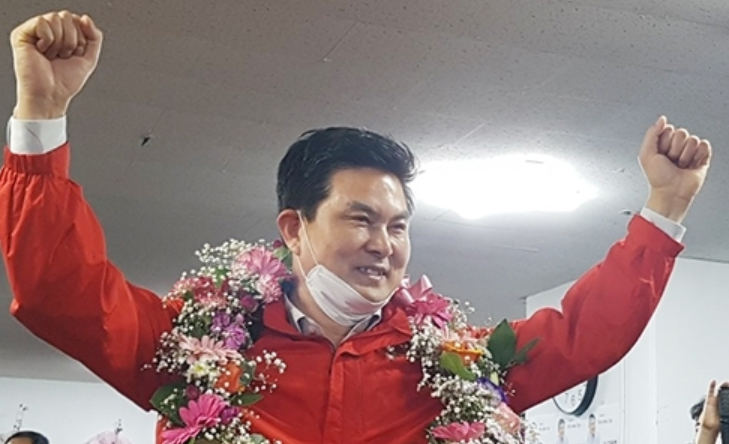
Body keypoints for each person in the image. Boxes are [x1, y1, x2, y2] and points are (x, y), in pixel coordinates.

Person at [0, 10, 713, 444]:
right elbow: (61, 293)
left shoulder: (455, 367)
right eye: (361, 219)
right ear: (294, 227)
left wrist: (664, 208)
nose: (384, 245)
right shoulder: (192, 352)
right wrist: (41, 114)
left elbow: (584, 335)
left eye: (399, 226)